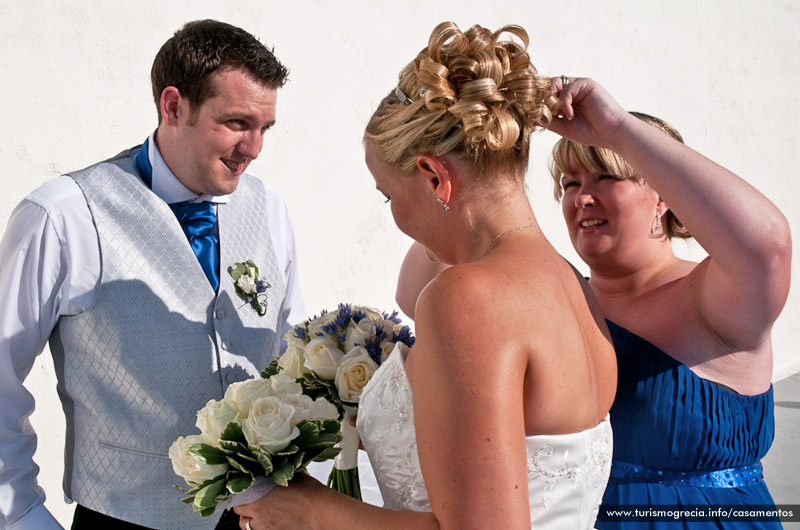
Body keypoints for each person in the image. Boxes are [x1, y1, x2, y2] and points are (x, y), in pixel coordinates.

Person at [233, 21, 617, 530]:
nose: (394, 215)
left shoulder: (469, 298)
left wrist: (313, 509)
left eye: (388, 195)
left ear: (435, 176)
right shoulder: (570, 283)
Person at [0, 20, 305, 530]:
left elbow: (286, 358)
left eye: (264, 129)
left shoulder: (269, 208)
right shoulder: (64, 215)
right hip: (125, 521)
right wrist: (24, 517)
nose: (253, 148)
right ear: (173, 106)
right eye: (235, 123)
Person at [547, 77, 791, 528]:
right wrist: (488, 145)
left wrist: (618, 127)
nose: (582, 197)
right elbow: (420, 284)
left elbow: (766, 247)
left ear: (662, 197)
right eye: (568, 183)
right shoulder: (557, 299)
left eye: (606, 177)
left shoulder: (713, 295)